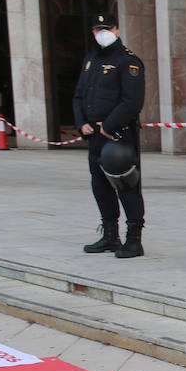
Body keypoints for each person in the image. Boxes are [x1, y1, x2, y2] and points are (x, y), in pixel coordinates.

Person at [73, 13, 146, 257]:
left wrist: (108, 126)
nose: (101, 32)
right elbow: (79, 96)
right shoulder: (90, 59)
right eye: (97, 29)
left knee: (127, 186)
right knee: (100, 186)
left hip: (119, 137)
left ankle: (134, 239)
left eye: (106, 28)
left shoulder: (128, 61)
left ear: (116, 30)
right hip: (94, 136)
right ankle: (110, 235)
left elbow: (132, 102)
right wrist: (81, 122)